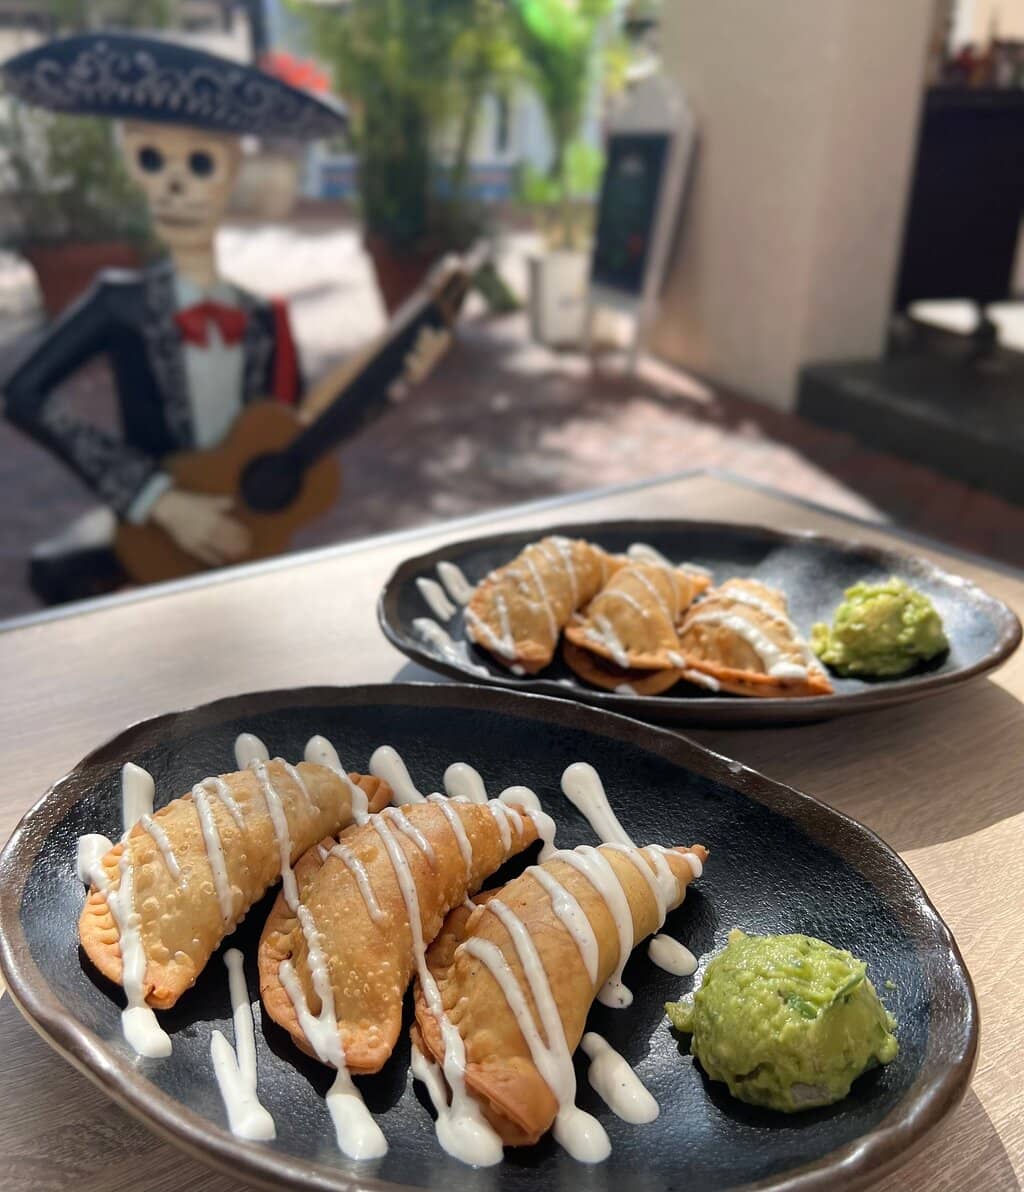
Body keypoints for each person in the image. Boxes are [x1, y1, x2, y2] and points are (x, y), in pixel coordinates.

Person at [1, 33, 347, 603]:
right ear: (132, 164)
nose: (176, 184)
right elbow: (23, 393)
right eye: (153, 159)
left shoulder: (263, 316)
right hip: (155, 541)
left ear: (232, 172)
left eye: (200, 162)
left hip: (249, 543)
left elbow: (291, 433)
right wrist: (154, 497)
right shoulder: (121, 303)